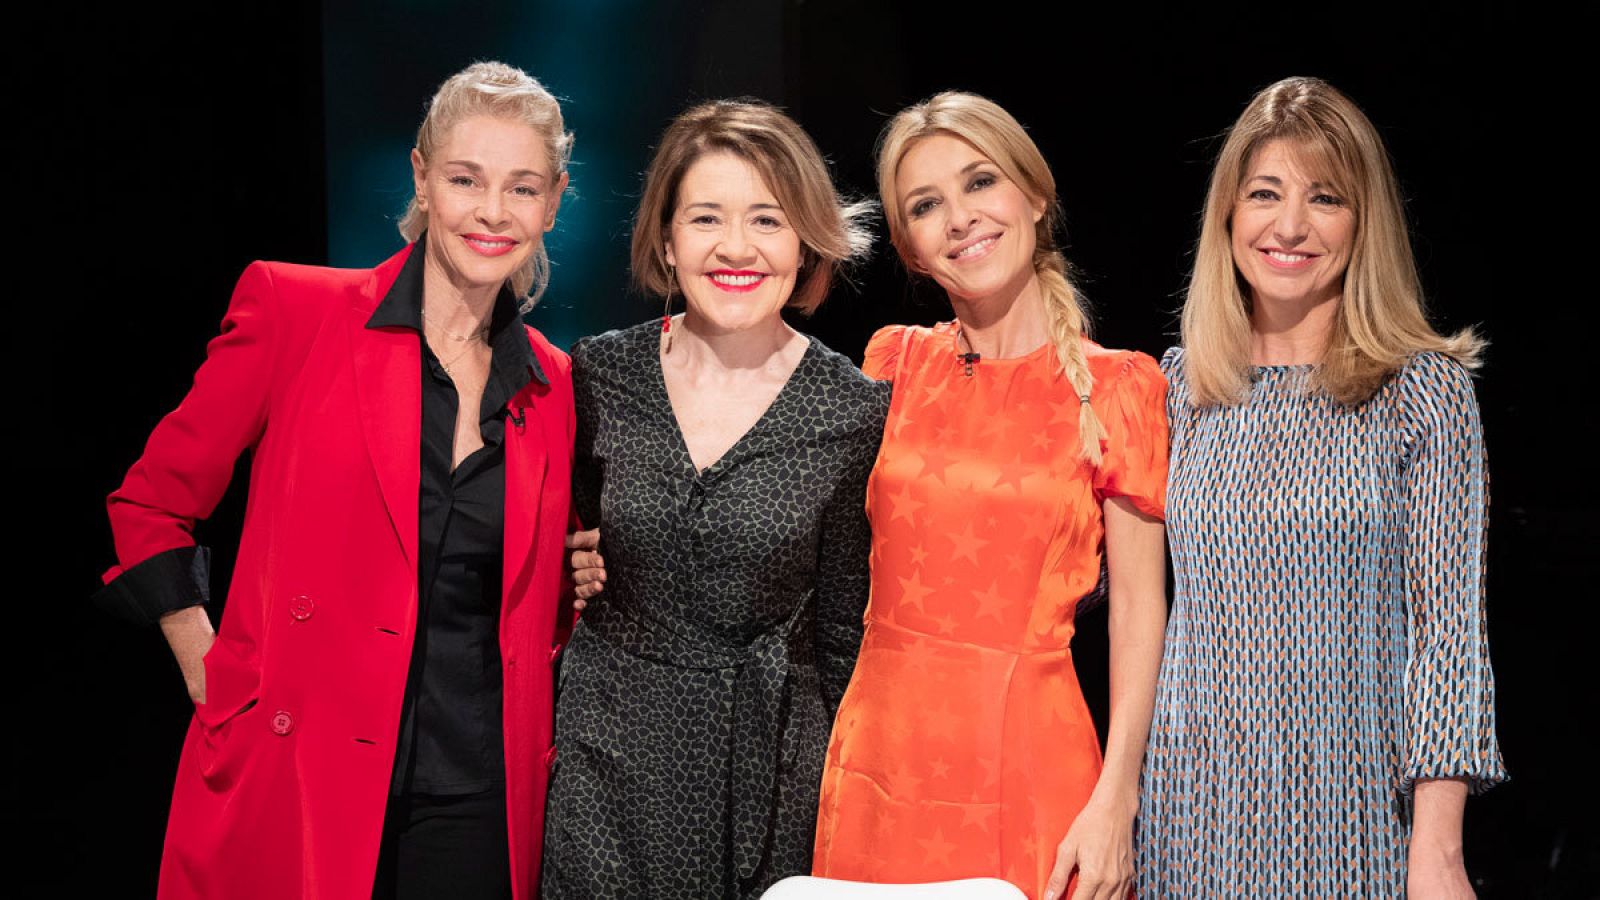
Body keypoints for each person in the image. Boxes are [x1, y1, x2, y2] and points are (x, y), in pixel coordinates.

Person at [95, 62, 576, 899]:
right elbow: (150, 505)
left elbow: (540, 593)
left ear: (554, 201)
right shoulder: (295, 310)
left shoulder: (558, 383)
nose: (493, 212)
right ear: (422, 178)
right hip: (300, 771)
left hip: (479, 794)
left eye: (522, 188)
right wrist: (217, 677)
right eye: (466, 179)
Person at [1136, 76, 1506, 898]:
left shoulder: (1421, 390)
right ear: (1228, 214)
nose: (1291, 226)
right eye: (1264, 193)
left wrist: (1439, 850)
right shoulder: (1174, 391)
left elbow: (1450, 638)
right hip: (1190, 818)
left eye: (1326, 197)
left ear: (1363, 222)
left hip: (1359, 819)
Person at [810, 92, 1169, 900]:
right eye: (927, 205)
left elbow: (1140, 613)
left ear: (1034, 197)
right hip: (880, 766)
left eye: (980, 183)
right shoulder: (891, 363)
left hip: (1032, 769)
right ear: (908, 248)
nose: (961, 218)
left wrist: (1117, 798)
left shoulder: (1119, 387)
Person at [539, 100, 886, 899]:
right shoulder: (600, 374)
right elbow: (568, 539)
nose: (737, 248)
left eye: (767, 220)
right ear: (666, 238)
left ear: (804, 241)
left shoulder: (853, 410)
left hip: (765, 777)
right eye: (706, 218)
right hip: (606, 753)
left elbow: (842, 637)